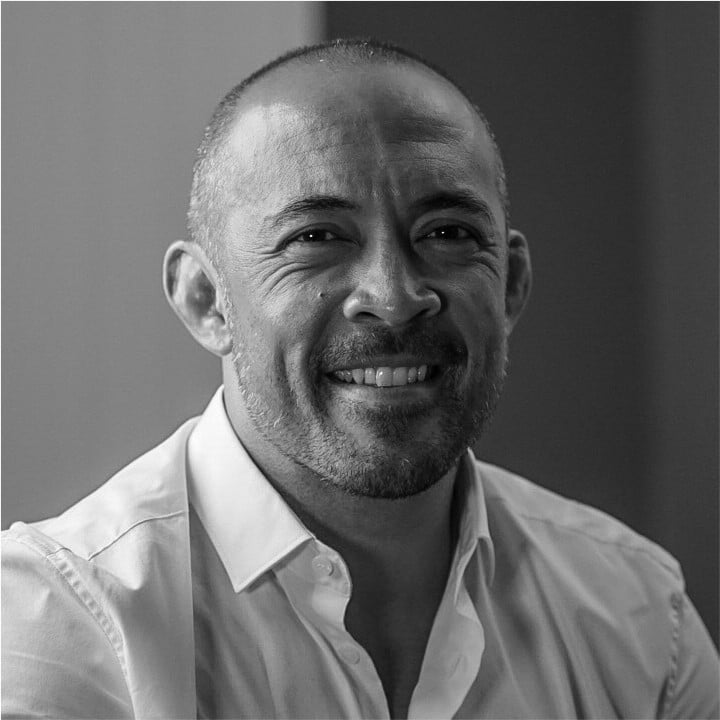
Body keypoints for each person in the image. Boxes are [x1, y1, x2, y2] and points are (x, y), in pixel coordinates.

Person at [2, 38, 718, 720]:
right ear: (206, 300)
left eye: (447, 233)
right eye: (316, 237)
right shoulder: (58, 621)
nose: (395, 295)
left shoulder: (639, 615)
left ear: (510, 284)